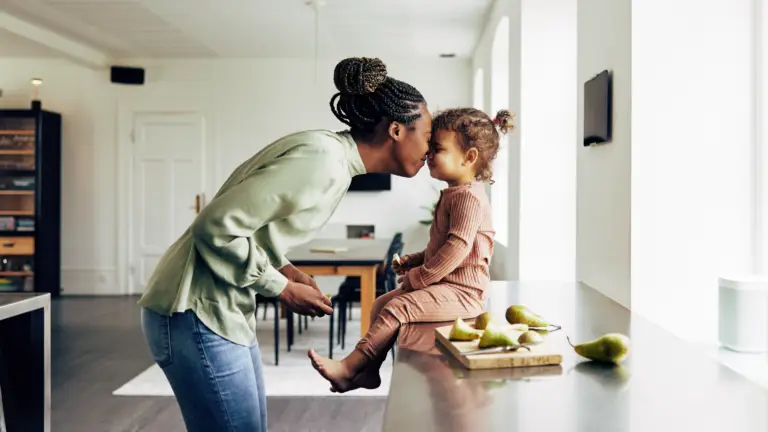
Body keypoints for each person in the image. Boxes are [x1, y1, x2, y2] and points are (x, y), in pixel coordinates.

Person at [137, 57, 433, 432]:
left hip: (219, 309)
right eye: (426, 135)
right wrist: (281, 289)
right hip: (193, 309)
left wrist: (287, 270)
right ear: (395, 130)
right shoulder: (322, 161)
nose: (430, 148)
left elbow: (255, 229)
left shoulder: (335, 162)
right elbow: (214, 228)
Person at [308, 107, 515, 393]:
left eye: (437, 149)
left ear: (469, 158)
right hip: (447, 285)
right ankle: (369, 371)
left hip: (465, 293)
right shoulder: (455, 194)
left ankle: (350, 366)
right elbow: (443, 247)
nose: (428, 154)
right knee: (381, 304)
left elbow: (457, 248)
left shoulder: (468, 198)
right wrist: (416, 259)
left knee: (397, 308)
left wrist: (420, 277)